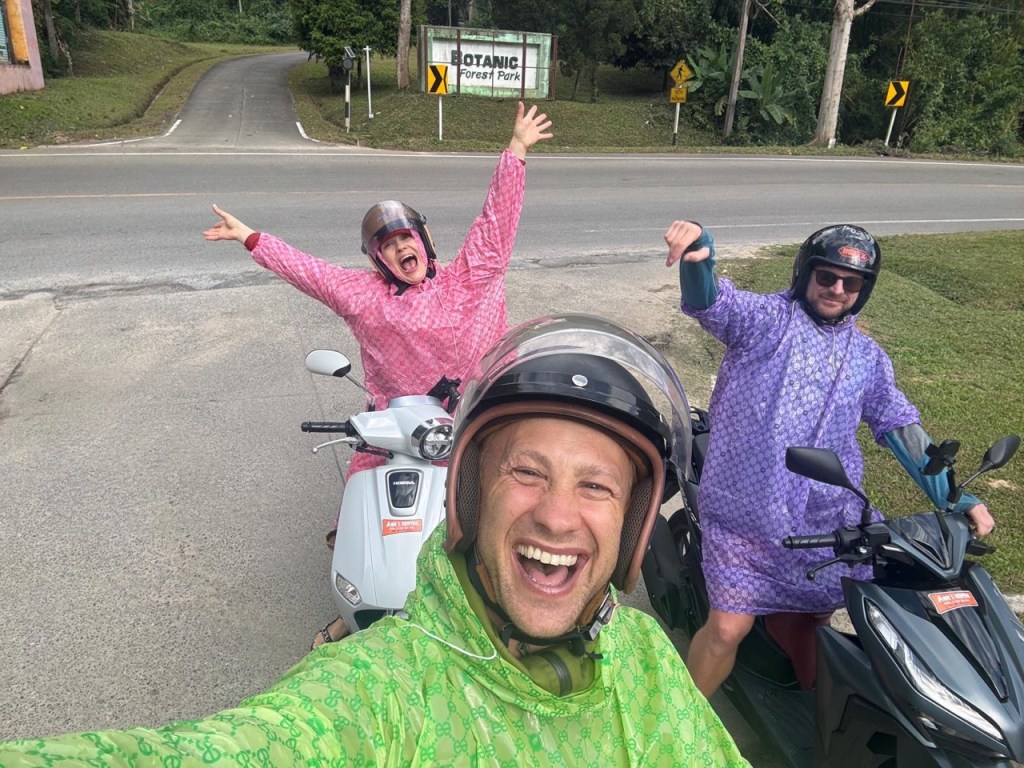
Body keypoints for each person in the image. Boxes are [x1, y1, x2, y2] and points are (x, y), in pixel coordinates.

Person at [0, 314, 751, 767]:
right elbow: (233, 749)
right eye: (526, 471)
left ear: (633, 525)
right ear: (470, 495)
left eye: (597, 486)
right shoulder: (383, 690)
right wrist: (256, 240)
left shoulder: (644, 654)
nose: (557, 517)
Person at [203, 101, 553, 649]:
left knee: (503, 508)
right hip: (397, 429)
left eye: (405, 237)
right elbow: (310, 272)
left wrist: (516, 150)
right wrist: (251, 237)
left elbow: (495, 223)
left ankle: (503, 604)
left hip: (476, 419)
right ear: (378, 261)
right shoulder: (364, 297)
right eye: (387, 246)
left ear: (424, 241)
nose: (400, 248)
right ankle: (355, 609)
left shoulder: (470, 277)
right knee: (359, 515)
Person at [662, 220, 996, 699]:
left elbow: (900, 428)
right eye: (827, 277)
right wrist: (701, 254)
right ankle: (680, 726)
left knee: (819, 616)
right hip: (746, 516)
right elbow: (713, 302)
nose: (837, 289)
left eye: (851, 283)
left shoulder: (868, 358)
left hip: (824, 520)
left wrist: (957, 497)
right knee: (728, 629)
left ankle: (809, 698)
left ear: (864, 290)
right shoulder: (766, 322)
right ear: (805, 274)